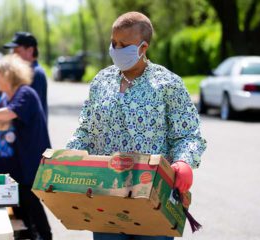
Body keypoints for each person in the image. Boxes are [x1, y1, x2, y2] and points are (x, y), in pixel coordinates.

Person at [66, 12, 207, 240]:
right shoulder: (101, 81)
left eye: (124, 45)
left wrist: (184, 161)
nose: (116, 49)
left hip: (152, 196)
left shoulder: (168, 84)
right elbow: (85, 130)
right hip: (105, 194)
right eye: (113, 43)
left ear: (143, 48)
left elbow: (189, 134)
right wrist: (69, 156)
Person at [0, 54, 52, 240]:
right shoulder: (7, 97)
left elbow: (9, 114)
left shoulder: (25, 93)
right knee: (19, 206)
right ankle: (29, 235)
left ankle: (45, 236)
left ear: (8, 74)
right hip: (14, 166)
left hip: (28, 163)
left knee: (31, 204)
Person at [4, 32, 48, 120]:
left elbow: (25, 109)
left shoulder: (35, 73)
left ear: (30, 50)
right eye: (13, 52)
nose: (13, 55)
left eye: (17, 51)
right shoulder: (26, 71)